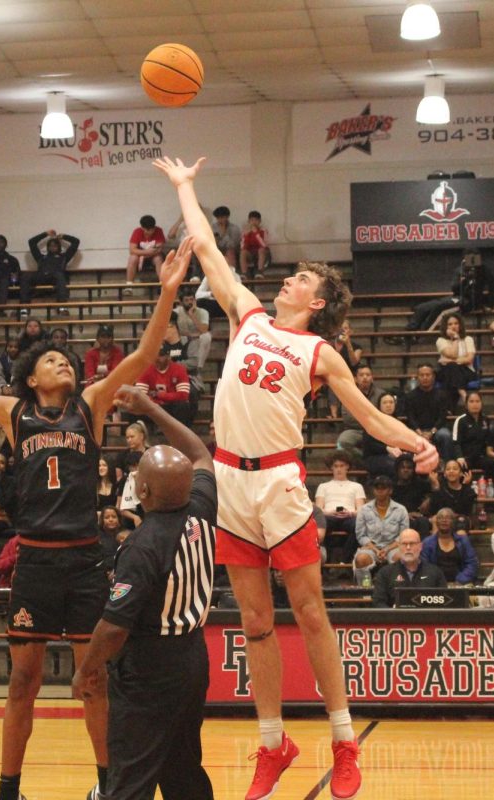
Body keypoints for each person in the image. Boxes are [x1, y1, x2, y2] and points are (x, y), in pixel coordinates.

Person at [157, 154, 438, 799]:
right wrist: (186, 187)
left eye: (302, 279)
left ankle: (342, 741)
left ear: (319, 302)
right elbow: (204, 249)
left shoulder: (319, 352)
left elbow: (368, 419)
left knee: (310, 612)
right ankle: (272, 743)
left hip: (280, 481)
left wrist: (416, 441)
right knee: (255, 622)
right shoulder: (248, 314)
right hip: (228, 481)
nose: (289, 281)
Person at [0, 232, 195, 800]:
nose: (63, 364)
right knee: (22, 682)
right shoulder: (12, 411)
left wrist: (166, 292)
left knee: (94, 679)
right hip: (35, 562)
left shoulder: (91, 405)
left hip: (84, 561)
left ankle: (108, 784)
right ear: (31, 378)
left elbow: (145, 357)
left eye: (67, 360)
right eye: (52, 360)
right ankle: (9, 788)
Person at [70, 385, 216, 800]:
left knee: (130, 776)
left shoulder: (141, 546)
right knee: (182, 768)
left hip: (151, 667)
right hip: (192, 659)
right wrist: (151, 409)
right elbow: (201, 454)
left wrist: (86, 670)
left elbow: (115, 627)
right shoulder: (202, 507)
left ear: (145, 494)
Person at [407, 249, 494, 331]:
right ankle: (409, 331)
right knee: (424, 307)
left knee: (440, 308)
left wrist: (490, 304)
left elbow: (492, 285)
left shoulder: (483, 269)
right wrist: (463, 280)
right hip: (457, 298)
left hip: (469, 303)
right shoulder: (461, 270)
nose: (472, 261)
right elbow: (454, 288)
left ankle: (419, 334)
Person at [352, 475, 410, 586]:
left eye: (383, 488)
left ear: (390, 491)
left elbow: (403, 535)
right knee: (361, 559)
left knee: (401, 557)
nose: (379, 491)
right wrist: (375, 550)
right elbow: (361, 535)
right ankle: (365, 592)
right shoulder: (364, 509)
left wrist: (387, 549)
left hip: (393, 546)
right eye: (376, 488)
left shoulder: (401, 510)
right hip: (371, 547)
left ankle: (397, 591)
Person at [371, 528, 446, 608]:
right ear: (399, 547)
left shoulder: (435, 573)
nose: (408, 547)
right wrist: (392, 614)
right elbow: (378, 602)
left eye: (412, 543)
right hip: (395, 619)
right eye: (404, 544)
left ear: (420, 546)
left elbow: (444, 602)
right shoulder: (385, 573)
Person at [314, 451, 365, 565]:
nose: (339, 469)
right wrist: (329, 512)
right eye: (336, 466)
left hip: (349, 516)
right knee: (319, 524)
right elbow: (318, 509)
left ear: (347, 467)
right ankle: (324, 556)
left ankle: (345, 559)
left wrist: (350, 513)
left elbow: (361, 510)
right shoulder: (323, 486)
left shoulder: (356, 486)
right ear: (331, 468)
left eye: (342, 466)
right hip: (329, 516)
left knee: (359, 524)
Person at [399, 364, 455, 459]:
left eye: (428, 375)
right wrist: (420, 433)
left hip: (436, 430)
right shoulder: (410, 396)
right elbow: (410, 417)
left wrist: (431, 432)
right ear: (417, 377)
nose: (425, 377)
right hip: (417, 430)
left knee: (445, 435)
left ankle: (446, 465)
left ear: (433, 376)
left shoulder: (442, 395)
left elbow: (442, 417)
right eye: (422, 375)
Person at [22, 229, 80, 316]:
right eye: (50, 246)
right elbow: (31, 242)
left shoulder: (64, 257)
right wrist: (45, 234)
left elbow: (76, 242)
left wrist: (64, 236)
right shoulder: (41, 258)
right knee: (25, 276)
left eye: (55, 245)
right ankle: (24, 308)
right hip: (41, 276)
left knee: (60, 275)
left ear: (59, 247)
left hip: (55, 277)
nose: (52, 247)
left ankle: (62, 307)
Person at [334, 363, 387, 457]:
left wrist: (362, 416)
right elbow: (348, 418)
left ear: (372, 378)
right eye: (361, 375)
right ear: (355, 379)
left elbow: (384, 416)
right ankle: (364, 460)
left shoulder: (381, 394)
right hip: (355, 430)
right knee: (341, 443)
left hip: (376, 430)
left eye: (368, 375)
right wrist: (370, 417)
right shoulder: (348, 394)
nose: (365, 377)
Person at [419, 508, 478, 586]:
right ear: (436, 522)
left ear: (453, 521)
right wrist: (438, 582)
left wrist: (460, 580)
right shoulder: (427, 542)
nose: (444, 520)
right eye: (440, 517)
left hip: (461, 584)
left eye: (448, 517)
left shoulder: (463, 541)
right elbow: (424, 566)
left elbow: (472, 563)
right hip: (435, 584)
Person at [361, 394, 406, 480]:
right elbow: (369, 443)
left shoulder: (399, 423)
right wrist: (387, 448)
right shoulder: (371, 422)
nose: (388, 405)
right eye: (385, 402)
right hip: (375, 456)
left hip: (395, 455)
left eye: (391, 402)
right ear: (379, 406)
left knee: (409, 462)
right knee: (394, 465)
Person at [435, 313, 477, 403]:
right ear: (445, 327)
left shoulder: (468, 339)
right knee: (452, 368)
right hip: (447, 371)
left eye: (456, 323)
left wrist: (449, 361)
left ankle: (448, 408)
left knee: (451, 368)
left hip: (466, 371)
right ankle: (463, 393)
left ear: (460, 325)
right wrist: (455, 338)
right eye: (450, 324)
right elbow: (453, 354)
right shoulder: (441, 341)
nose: (453, 326)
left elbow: (469, 359)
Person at [173, 287, 212, 375]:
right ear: (181, 302)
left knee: (206, 337)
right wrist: (190, 335)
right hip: (181, 343)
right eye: (186, 300)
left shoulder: (203, 312)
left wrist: (192, 315)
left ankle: (198, 367)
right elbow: (172, 331)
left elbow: (204, 330)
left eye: (191, 299)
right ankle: (178, 366)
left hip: (197, 342)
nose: (190, 302)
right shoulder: (175, 313)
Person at [451, 391, 491, 475]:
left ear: (481, 403)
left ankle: (491, 487)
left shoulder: (485, 419)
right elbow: (456, 442)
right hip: (466, 457)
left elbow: (488, 440)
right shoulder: (460, 420)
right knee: (460, 466)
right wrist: (459, 457)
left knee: (493, 464)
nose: (475, 404)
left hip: (481, 457)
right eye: (471, 401)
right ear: (466, 404)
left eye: (477, 401)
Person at [124, 214, 166, 290]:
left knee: (158, 258)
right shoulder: (137, 232)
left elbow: (158, 249)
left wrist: (144, 255)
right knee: (132, 258)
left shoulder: (159, 231)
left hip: (153, 256)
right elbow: (132, 250)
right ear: (142, 228)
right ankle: (129, 285)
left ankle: (163, 284)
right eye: (147, 230)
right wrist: (144, 254)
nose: (150, 232)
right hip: (139, 257)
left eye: (152, 229)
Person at [240, 210, 270, 276]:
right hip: (250, 254)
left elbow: (264, 245)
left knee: (261, 250)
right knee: (243, 252)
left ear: (259, 221)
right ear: (249, 221)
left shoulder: (263, 231)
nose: (254, 222)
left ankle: (259, 272)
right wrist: (246, 235)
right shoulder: (245, 231)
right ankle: (244, 273)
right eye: (252, 220)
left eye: (256, 220)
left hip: (262, 254)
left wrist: (256, 233)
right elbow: (242, 247)